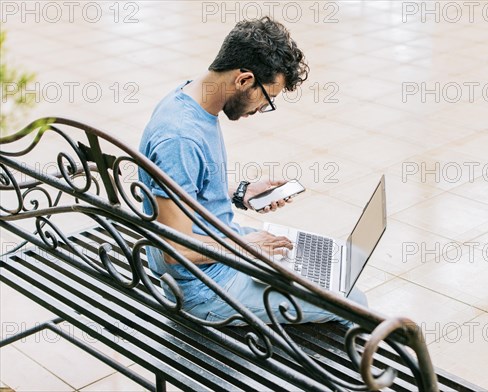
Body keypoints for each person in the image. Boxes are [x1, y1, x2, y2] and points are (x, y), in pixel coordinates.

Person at [138, 16, 367, 326]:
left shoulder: (190, 98)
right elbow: (176, 248)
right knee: (353, 302)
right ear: (244, 80)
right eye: (267, 99)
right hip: (206, 288)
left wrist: (241, 193)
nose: (262, 109)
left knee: (319, 260)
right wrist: (247, 247)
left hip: (218, 248)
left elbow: (187, 190)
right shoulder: (181, 136)